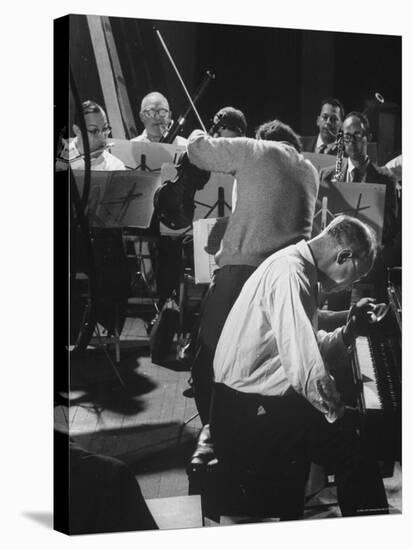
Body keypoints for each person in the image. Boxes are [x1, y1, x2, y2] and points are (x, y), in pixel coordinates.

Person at [210, 215, 389, 518]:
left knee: (355, 427)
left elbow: (307, 347)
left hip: (251, 402)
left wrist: (348, 332)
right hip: (245, 415)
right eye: (354, 275)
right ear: (343, 255)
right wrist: (342, 412)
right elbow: (305, 369)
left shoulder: (296, 263)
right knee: (358, 441)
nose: (350, 284)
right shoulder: (291, 273)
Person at [186, 119, 319, 423]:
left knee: (210, 358)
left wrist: (198, 131)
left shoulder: (256, 149)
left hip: (242, 275)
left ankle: (214, 436)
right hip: (288, 280)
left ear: (263, 138)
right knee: (265, 367)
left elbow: (199, 151)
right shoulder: (309, 170)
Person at [319, 112, 399, 267]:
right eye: (347, 136)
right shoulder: (327, 176)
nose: (352, 141)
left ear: (368, 136)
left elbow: (391, 230)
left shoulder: (386, 179)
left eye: (357, 135)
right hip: (335, 263)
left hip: (370, 262)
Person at [57, 100, 126, 171]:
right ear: (77, 130)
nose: (102, 138)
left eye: (105, 129)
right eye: (94, 131)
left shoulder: (115, 167)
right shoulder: (59, 158)